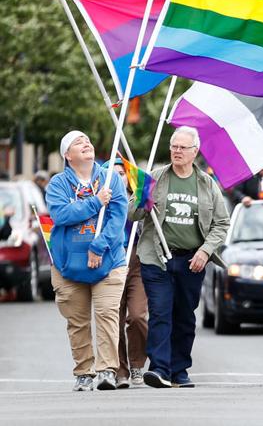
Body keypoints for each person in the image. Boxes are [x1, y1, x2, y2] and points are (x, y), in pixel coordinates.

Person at [130, 126, 229, 389]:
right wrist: (142, 200)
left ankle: (179, 369)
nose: (177, 151)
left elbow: (221, 224)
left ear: (195, 151)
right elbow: (132, 214)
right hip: (157, 257)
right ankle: (160, 368)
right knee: (161, 312)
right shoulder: (154, 178)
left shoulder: (207, 184)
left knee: (185, 315)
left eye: (183, 147)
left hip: (191, 261)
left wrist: (205, 251)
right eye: (174, 146)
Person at [45, 130, 129, 391]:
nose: (86, 144)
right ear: (67, 156)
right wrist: (95, 202)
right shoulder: (58, 184)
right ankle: (84, 372)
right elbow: (61, 215)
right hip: (67, 266)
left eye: (87, 140)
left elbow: (118, 217)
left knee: (106, 314)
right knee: (78, 321)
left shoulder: (110, 180)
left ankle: (107, 371)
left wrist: (98, 246)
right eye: (77, 142)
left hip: (108, 262)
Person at [111, 159, 147, 389]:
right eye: (113, 173)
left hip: (137, 259)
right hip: (112, 260)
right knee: (113, 317)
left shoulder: (138, 198)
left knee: (136, 316)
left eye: (122, 172)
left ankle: (137, 364)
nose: (118, 177)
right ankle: (120, 370)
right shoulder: (103, 200)